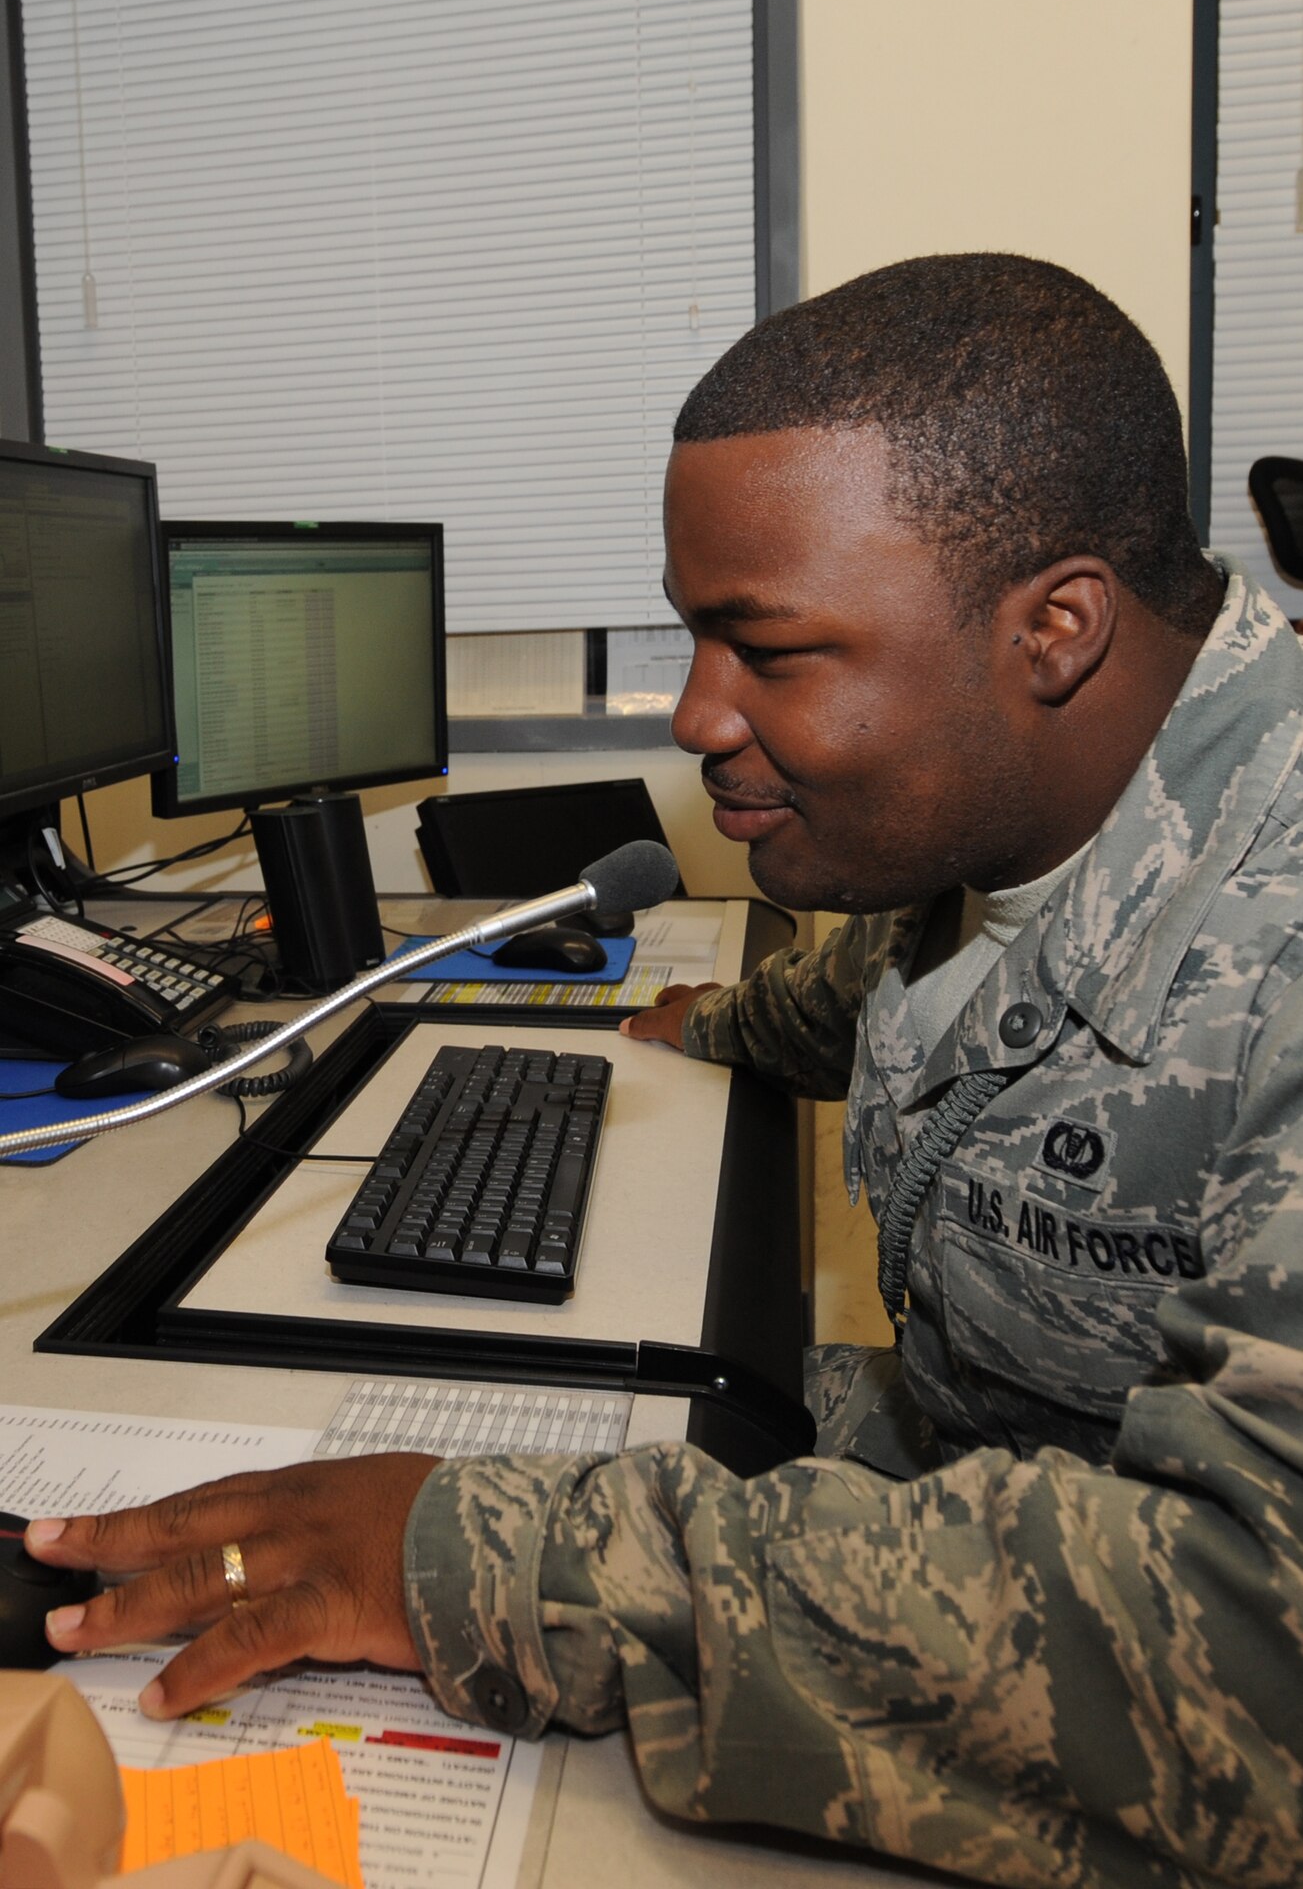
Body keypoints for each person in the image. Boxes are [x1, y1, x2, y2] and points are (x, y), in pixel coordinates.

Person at [26, 255, 1303, 1888]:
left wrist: (484, 1563)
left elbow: (1261, 1648)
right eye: (695, 636)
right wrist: (692, 1026)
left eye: (765, 651)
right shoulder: (1013, 804)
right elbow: (897, 997)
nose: (699, 716)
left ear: (1055, 628)